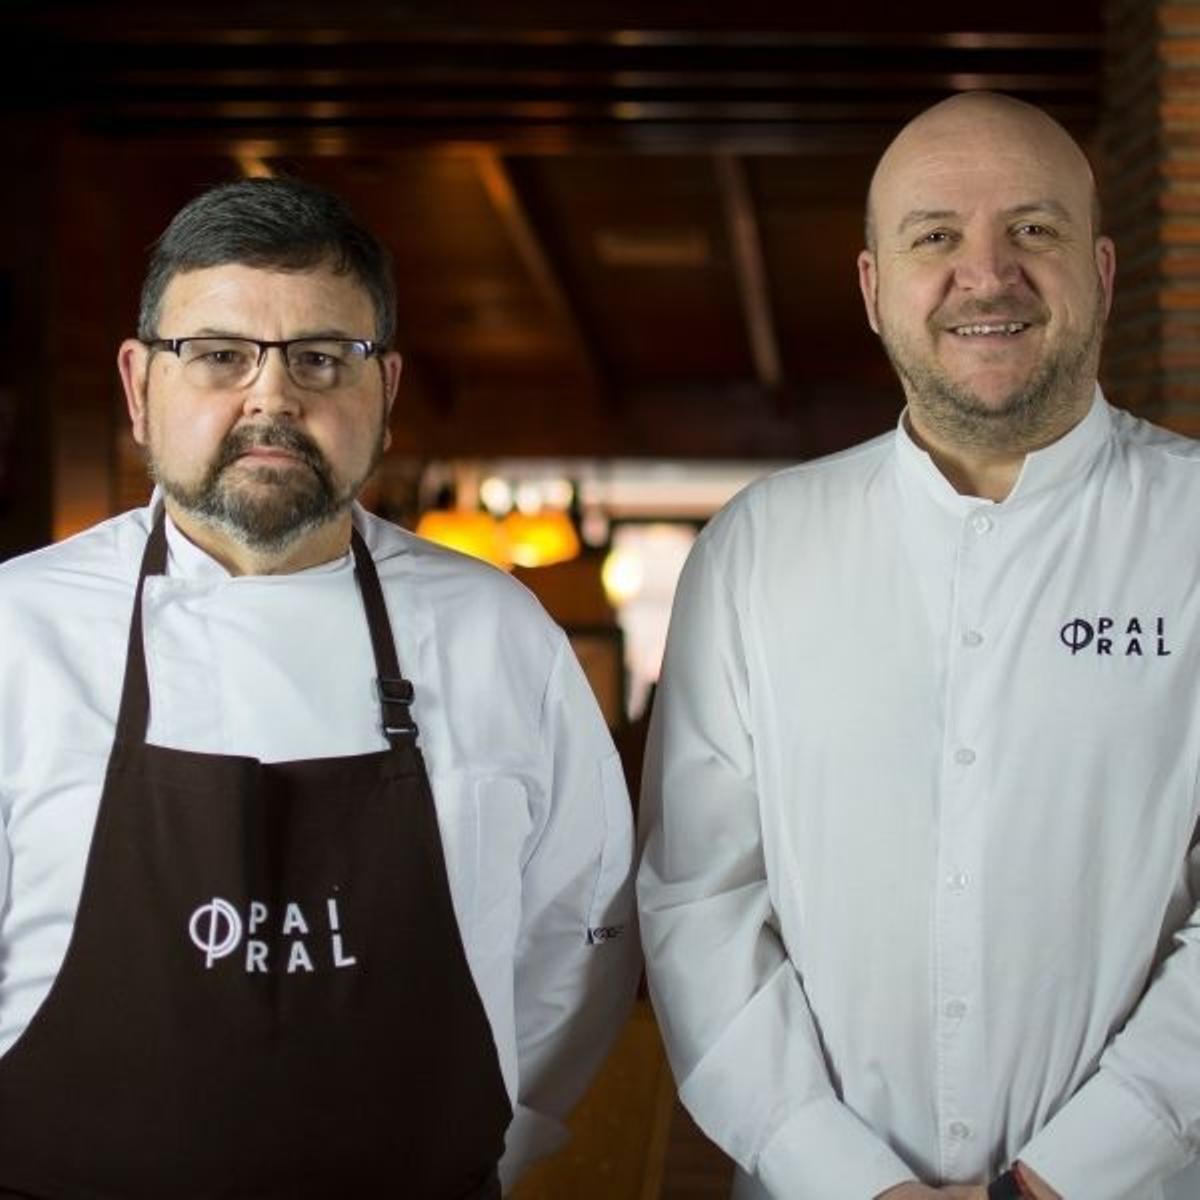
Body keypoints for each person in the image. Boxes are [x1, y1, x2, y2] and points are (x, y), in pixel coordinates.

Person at [0, 177, 639, 1197]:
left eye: (320, 358)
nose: (272, 398)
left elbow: (582, 929)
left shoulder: (495, 631)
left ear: (384, 389)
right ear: (136, 386)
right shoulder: (18, 631)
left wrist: (494, 1138)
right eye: (217, 355)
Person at [637, 91, 1200, 1200]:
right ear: (872, 286)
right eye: (934, 236)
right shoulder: (758, 547)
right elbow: (699, 899)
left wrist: (1066, 1178)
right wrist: (846, 1177)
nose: (985, 275)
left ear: (1103, 269)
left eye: (1032, 231)